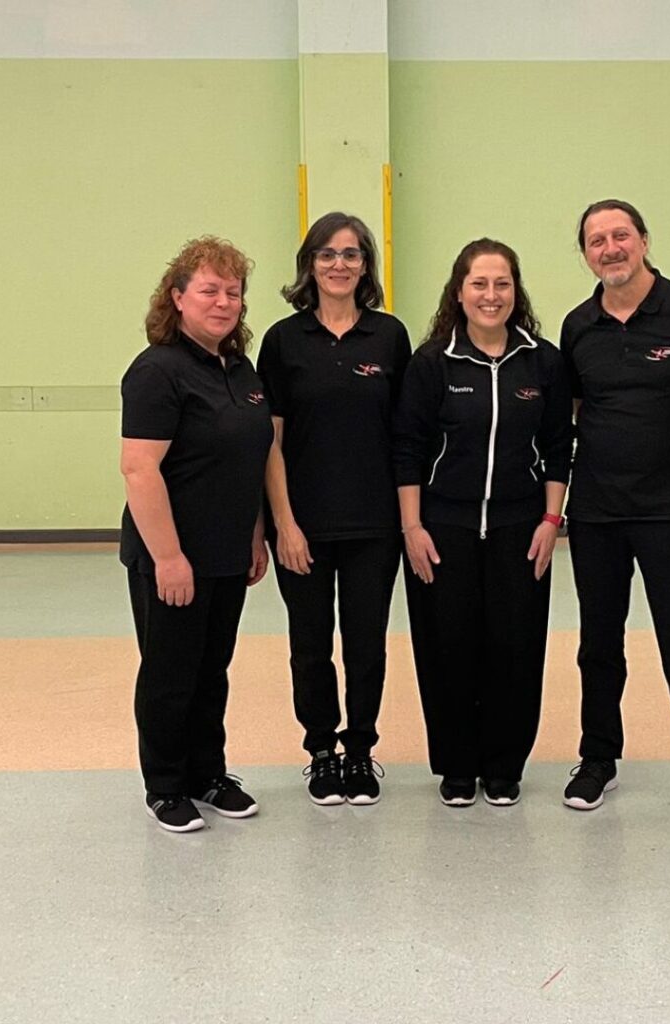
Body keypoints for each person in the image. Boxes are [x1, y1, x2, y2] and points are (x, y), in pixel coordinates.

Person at [559, 199, 670, 827]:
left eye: (620, 235)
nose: (610, 248)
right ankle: (597, 758)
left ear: (643, 240)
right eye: (596, 240)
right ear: (585, 253)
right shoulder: (578, 326)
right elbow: (579, 410)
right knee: (598, 642)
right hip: (597, 512)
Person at [394, 239, 572, 807]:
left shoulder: (542, 361)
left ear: (515, 292)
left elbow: (558, 446)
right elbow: (408, 449)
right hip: (442, 529)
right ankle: (456, 765)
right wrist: (411, 528)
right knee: (448, 647)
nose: (490, 295)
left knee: (515, 647)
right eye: (479, 284)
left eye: (501, 284)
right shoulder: (431, 364)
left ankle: (504, 764)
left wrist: (551, 519)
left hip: (523, 527)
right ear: (459, 291)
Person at [257, 213, 411, 806]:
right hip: (304, 526)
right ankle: (321, 751)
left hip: (375, 524)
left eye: (351, 254)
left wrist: (407, 518)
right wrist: (285, 524)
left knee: (367, 641)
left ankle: (361, 751)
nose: (339, 264)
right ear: (310, 265)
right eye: (327, 254)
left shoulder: (390, 337)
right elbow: (270, 441)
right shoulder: (283, 341)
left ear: (366, 265)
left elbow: (406, 439)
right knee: (310, 642)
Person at [120, 236, 272, 833]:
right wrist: (169, 558)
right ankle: (165, 785)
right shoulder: (157, 370)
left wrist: (255, 533)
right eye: (209, 290)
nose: (224, 302)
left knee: (213, 670)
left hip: (228, 554)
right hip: (172, 557)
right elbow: (140, 469)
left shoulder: (242, 371)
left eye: (233, 292)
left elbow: (251, 458)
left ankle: (209, 773)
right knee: (169, 672)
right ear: (177, 297)